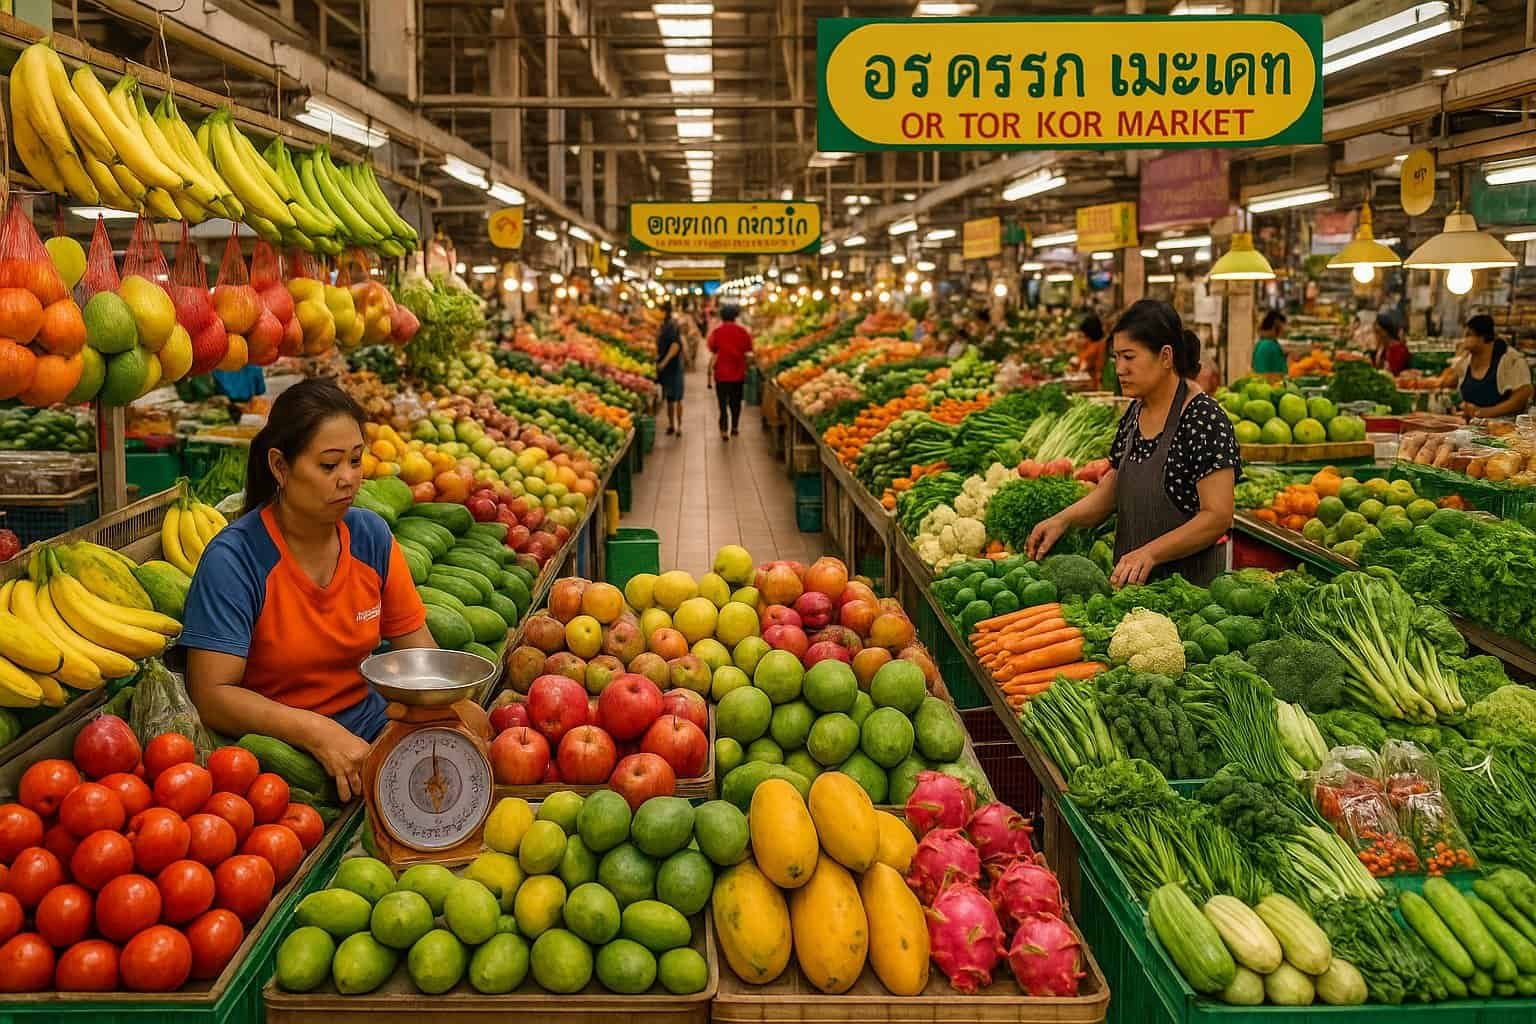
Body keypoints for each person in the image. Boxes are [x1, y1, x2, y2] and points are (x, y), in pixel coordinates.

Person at [180, 379, 435, 801]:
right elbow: (212, 696)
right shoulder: (235, 561)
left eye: (356, 460)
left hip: (372, 732)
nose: (348, 479)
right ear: (280, 467)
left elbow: (419, 655)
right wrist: (317, 731)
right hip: (279, 759)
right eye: (329, 465)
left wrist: (452, 709)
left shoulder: (370, 536)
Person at [1028, 300, 1239, 587]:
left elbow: (1217, 516)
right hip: (1132, 591)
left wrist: (1150, 554)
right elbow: (1113, 489)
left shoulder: (1204, 419)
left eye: (1129, 357)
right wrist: (1063, 520)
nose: (1120, 369)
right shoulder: (1135, 413)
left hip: (1191, 594)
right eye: (1116, 358)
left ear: (1166, 357)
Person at [1450, 313, 1532, 419]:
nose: (1464, 340)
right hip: (1470, 425)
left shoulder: (1511, 360)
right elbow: (1451, 381)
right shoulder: (1466, 359)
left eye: (1468, 335)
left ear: (1482, 337)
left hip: (1503, 426)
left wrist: (1484, 413)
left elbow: (1521, 398)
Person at [708, 304, 754, 440]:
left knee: (722, 403)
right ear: (735, 317)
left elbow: (712, 347)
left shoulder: (717, 332)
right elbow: (749, 348)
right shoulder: (743, 331)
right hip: (738, 373)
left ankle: (723, 429)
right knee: (736, 402)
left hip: (721, 374)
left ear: (722, 317)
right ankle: (734, 427)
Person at [656, 302, 685, 436]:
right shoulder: (664, 325)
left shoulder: (671, 326)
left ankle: (678, 427)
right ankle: (671, 425)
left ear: (664, 312)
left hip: (674, 367)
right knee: (669, 398)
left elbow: (675, 346)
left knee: (677, 398)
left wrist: (664, 362)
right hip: (668, 368)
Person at [1072, 314, 1107, 385]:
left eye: (1083, 335)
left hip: (1093, 382)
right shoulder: (1090, 343)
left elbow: (1097, 366)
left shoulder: (1100, 344)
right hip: (1085, 380)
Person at [1252, 310, 1289, 375]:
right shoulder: (1269, 345)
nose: (1284, 330)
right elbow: (1280, 373)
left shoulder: (1263, 343)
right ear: (1275, 326)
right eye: (1282, 327)